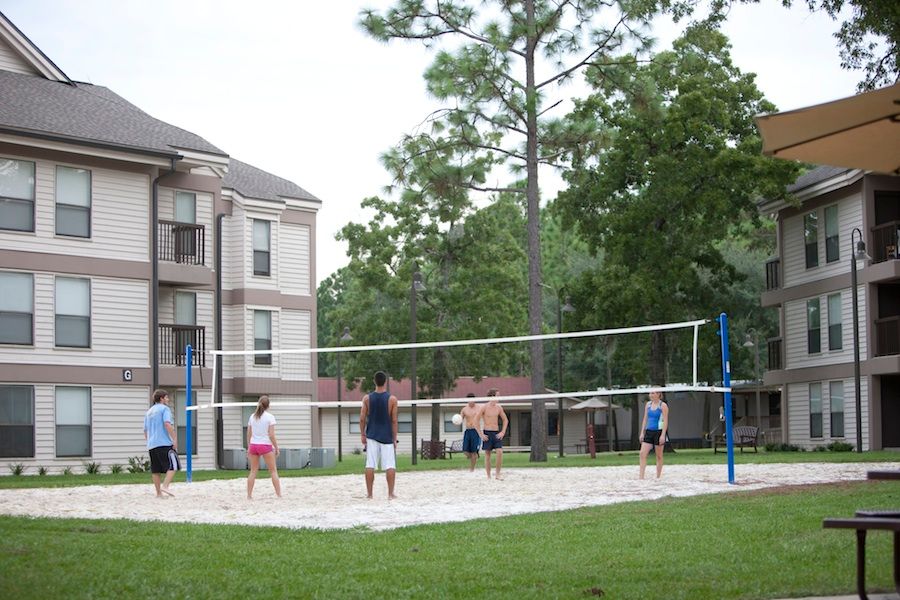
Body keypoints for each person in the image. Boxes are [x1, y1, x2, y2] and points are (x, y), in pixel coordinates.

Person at [360, 371, 399, 499]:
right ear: (385, 382)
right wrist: (394, 438)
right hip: (386, 436)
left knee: (370, 464)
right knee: (390, 465)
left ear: (374, 381)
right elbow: (394, 420)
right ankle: (390, 494)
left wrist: (362, 434)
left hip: (371, 435)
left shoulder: (367, 398)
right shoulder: (392, 399)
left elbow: (362, 418)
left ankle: (370, 494)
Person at [143, 389, 179, 498]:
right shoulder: (164, 409)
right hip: (163, 443)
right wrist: (174, 439)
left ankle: (159, 493)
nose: (168, 399)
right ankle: (165, 486)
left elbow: (145, 430)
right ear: (161, 398)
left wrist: (149, 442)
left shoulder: (148, 412)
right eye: (166, 397)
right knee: (174, 465)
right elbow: (167, 424)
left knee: (156, 470)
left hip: (152, 444)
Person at [246, 395, 281, 499]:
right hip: (265, 445)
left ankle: (249, 495)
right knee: (273, 471)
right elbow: (271, 435)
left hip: (253, 445)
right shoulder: (270, 417)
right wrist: (276, 447)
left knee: (253, 471)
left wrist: (249, 446)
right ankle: (278, 494)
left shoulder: (252, 416)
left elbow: (248, 433)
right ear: (268, 406)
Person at [639, 390, 669, 479]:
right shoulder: (648, 405)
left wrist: (663, 435)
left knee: (659, 455)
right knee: (642, 453)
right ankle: (641, 477)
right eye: (650, 393)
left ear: (658, 394)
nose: (650, 395)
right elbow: (645, 419)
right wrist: (642, 432)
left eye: (652, 393)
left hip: (658, 432)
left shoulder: (663, 405)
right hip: (649, 431)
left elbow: (665, 421)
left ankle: (658, 476)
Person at [481, 388, 508, 480]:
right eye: (497, 395)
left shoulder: (499, 407)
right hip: (487, 433)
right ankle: (488, 476)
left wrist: (503, 432)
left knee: (499, 452)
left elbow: (505, 420)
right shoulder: (484, 407)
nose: (499, 397)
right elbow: (475, 421)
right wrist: (481, 434)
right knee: (488, 454)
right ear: (492, 396)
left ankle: (497, 474)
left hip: (496, 433)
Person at [459, 392, 486, 472]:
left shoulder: (479, 408)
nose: (471, 402)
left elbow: (485, 416)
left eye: (472, 400)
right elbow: (460, 419)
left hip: (476, 431)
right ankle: (475, 456)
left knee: (473, 452)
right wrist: (457, 421)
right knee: (465, 452)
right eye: (469, 400)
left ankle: (472, 469)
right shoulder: (464, 409)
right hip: (468, 431)